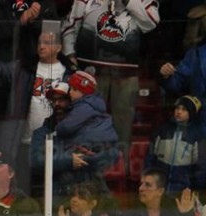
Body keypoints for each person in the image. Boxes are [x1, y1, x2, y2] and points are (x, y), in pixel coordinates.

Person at [0, 29, 72, 192]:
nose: (41, 46)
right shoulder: (24, 68)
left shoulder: (69, 74)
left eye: (47, 43)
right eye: (39, 43)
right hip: (24, 142)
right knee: (21, 189)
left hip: (54, 144)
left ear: (58, 47)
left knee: (51, 191)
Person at [61, 0, 160, 158]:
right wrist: (70, 55)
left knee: (122, 124)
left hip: (126, 74)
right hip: (92, 73)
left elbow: (151, 23)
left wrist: (128, 2)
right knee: (87, 119)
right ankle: (86, 166)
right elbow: (69, 25)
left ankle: (120, 166)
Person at [52, 70, 119, 193]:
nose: (70, 92)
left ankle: (107, 205)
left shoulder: (84, 106)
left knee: (72, 175)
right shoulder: (93, 104)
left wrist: (57, 128)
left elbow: (67, 127)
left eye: (73, 89)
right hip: (101, 148)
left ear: (83, 91)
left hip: (96, 148)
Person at [145, 95, 206, 194]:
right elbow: (150, 155)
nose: (179, 111)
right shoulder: (163, 129)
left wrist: (196, 189)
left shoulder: (197, 135)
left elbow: (201, 167)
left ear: (191, 113)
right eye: (177, 108)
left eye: (184, 109)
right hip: (160, 185)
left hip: (183, 188)